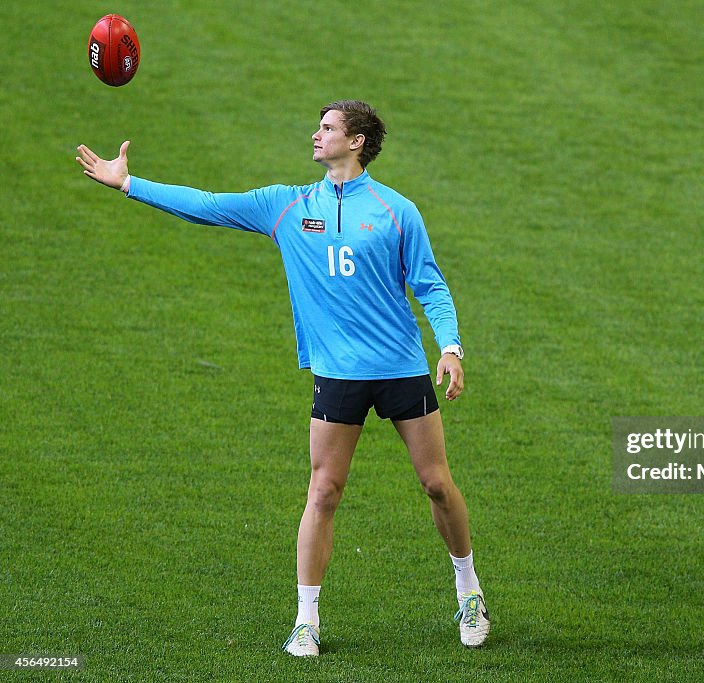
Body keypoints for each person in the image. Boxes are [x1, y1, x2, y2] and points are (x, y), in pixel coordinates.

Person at [75, 100, 490, 656]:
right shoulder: (287, 206)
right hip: (337, 375)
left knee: (437, 483)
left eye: (327, 128)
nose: (315, 135)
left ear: (357, 141)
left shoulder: (397, 211)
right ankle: (307, 621)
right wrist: (130, 185)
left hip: (400, 367)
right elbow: (209, 206)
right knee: (323, 490)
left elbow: (431, 285)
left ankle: (469, 591)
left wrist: (451, 347)